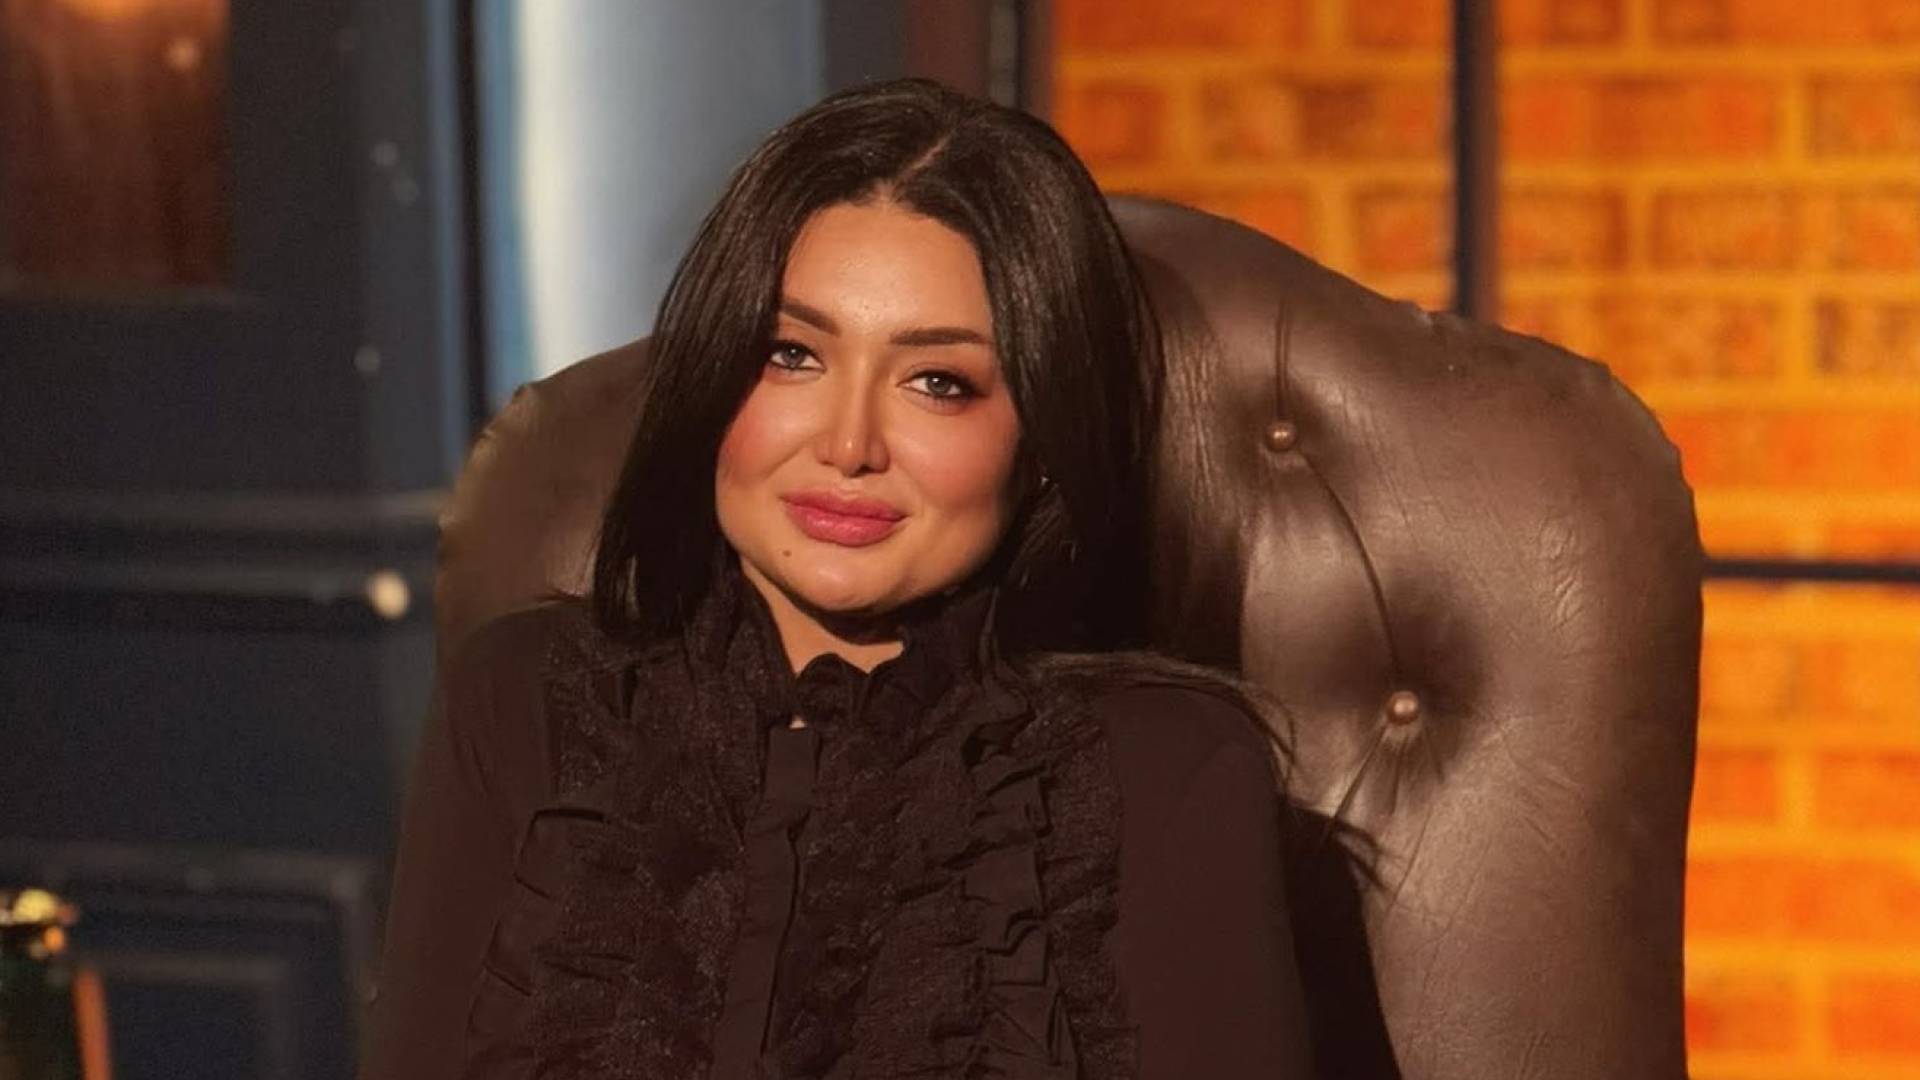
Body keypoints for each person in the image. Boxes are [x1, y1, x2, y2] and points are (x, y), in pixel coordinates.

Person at [361, 78, 1311, 1080]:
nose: (850, 445)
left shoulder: (1170, 770)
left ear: (1039, 442)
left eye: (938, 383)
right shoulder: (521, 698)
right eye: (792, 355)